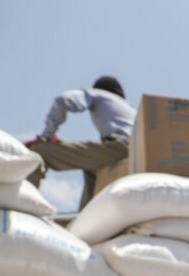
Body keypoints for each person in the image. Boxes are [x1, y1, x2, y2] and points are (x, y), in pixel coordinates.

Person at [26, 76, 136, 210]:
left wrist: (46, 137)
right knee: (91, 169)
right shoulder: (129, 107)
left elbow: (63, 100)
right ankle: (86, 215)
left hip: (119, 146)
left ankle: (26, 204)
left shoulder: (99, 95)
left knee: (40, 152)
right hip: (135, 151)